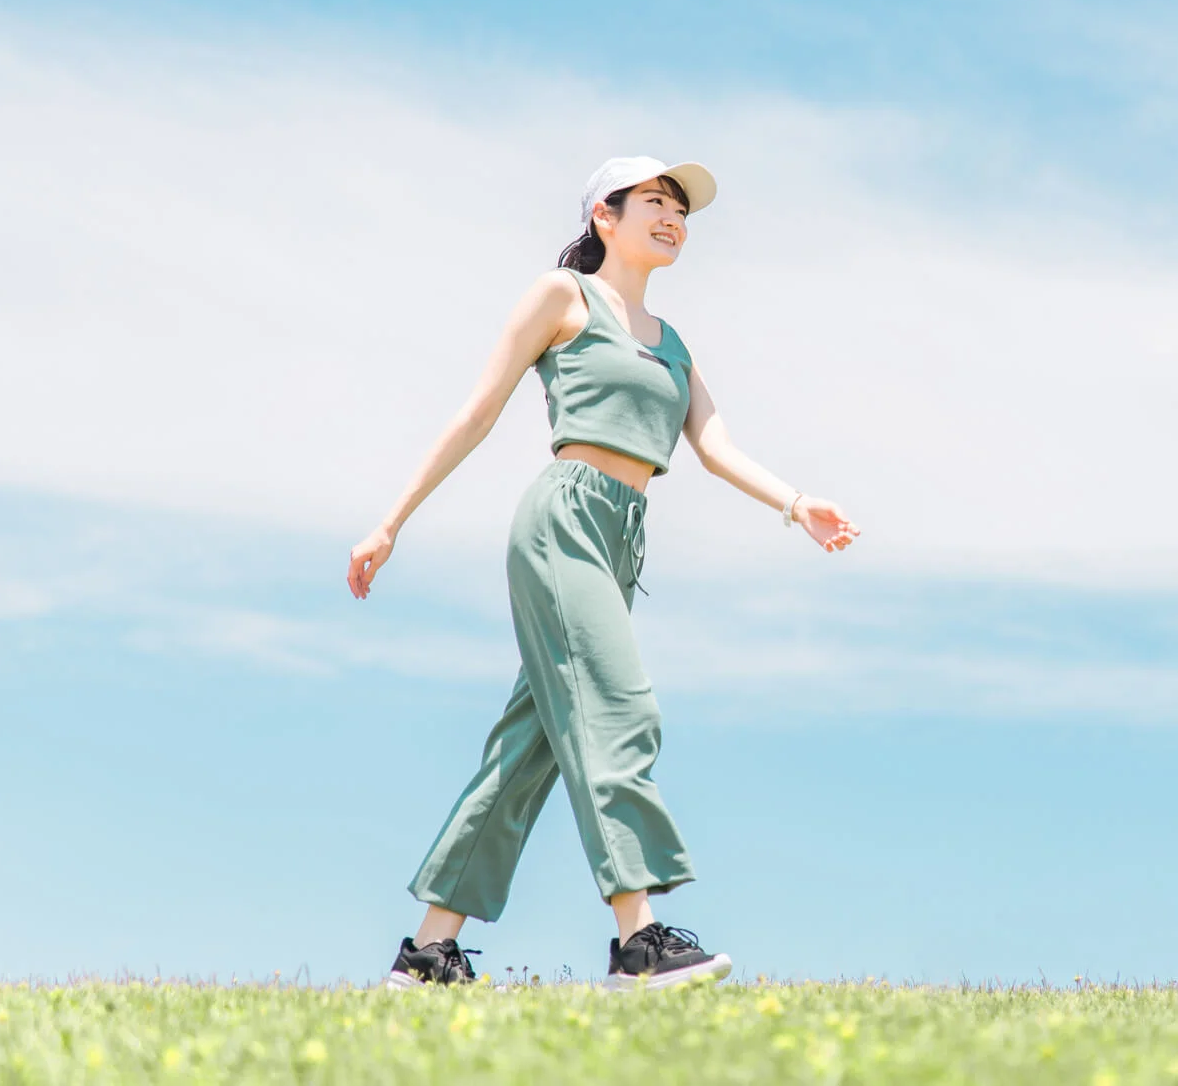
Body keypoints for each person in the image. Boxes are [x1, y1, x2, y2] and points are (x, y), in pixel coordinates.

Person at [346, 156, 860, 991]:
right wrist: (391, 520)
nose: (672, 218)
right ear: (604, 216)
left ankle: (429, 952)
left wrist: (797, 502)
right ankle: (638, 941)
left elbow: (715, 446)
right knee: (618, 708)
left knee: (533, 745)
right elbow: (478, 409)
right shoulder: (564, 299)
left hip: (622, 536)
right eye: (654, 201)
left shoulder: (674, 344)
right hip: (564, 519)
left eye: (680, 210)